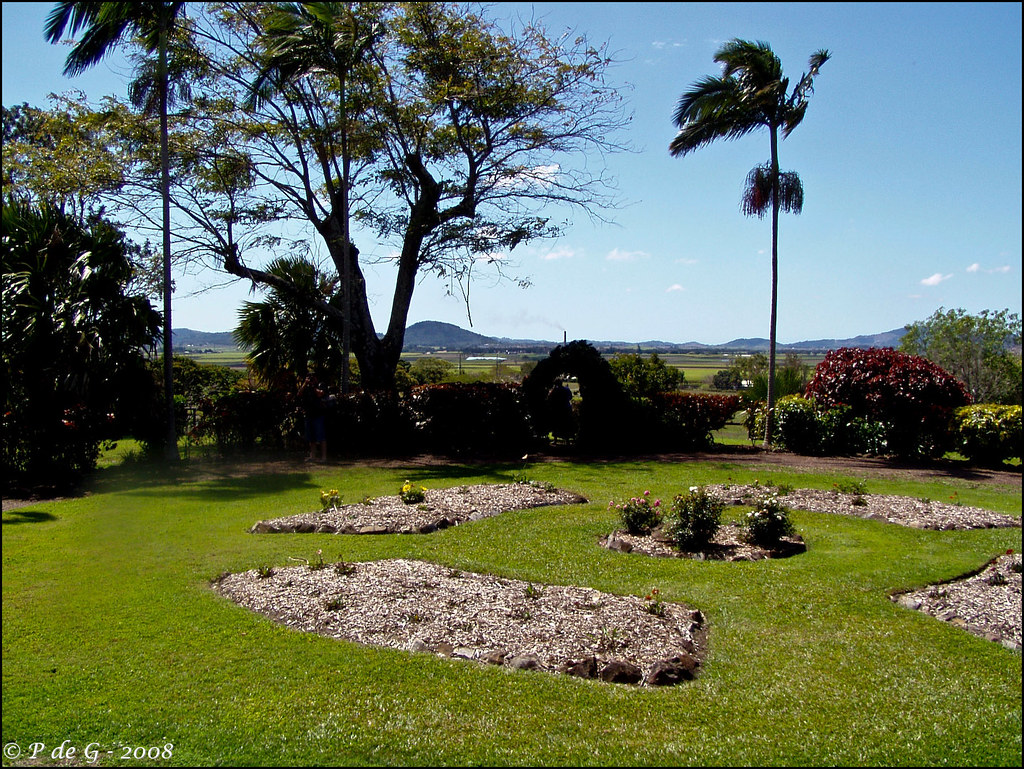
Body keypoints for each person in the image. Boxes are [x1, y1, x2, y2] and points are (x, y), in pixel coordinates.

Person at [298, 374, 327, 462]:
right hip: (309, 414)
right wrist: (305, 384)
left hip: (318, 414)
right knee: (311, 437)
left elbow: (320, 394)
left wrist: (313, 386)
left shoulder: (320, 385)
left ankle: (324, 457)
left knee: (321, 436)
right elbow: (299, 394)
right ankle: (313, 456)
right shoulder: (306, 387)